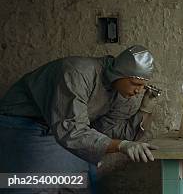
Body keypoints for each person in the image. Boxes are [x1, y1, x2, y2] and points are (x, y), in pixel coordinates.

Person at [0, 45, 160, 193]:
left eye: (142, 86)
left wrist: (144, 110)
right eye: (135, 84)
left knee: (82, 182)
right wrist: (121, 145)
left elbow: (107, 131)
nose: (139, 91)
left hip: (61, 130)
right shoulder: (77, 73)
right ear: (120, 73)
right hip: (23, 124)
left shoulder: (119, 91)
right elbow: (70, 130)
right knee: (30, 185)